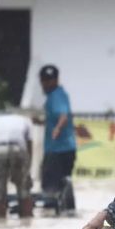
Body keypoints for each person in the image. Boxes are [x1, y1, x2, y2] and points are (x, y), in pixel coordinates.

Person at [39, 64, 77, 214]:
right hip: (67, 148)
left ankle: (52, 215)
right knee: (63, 184)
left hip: (56, 150)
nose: (46, 84)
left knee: (50, 190)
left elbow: (63, 116)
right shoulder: (60, 94)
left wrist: (57, 129)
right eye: (44, 80)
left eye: (48, 81)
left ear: (55, 80)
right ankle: (66, 212)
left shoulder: (56, 96)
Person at [0, 111, 34, 219]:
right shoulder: (25, 120)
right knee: (24, 188)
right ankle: (26, 221)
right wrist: (27, 168)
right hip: (18, 148)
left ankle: (1, 222)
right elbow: (29, 146)